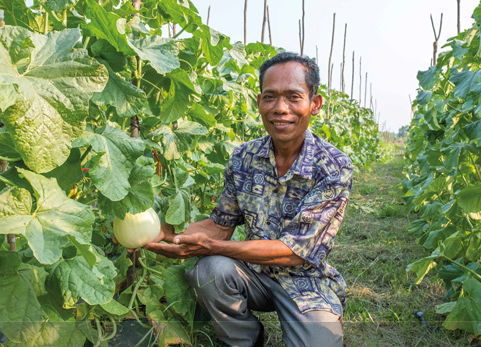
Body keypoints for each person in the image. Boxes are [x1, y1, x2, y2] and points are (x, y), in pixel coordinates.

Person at [145, 52, 353, 347]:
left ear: (314, 104)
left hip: (307, 281)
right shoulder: (243, 157)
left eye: (293, 97)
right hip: (252, 273)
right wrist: (164, 233)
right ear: (259, 102)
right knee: (210, 270)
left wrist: (215, 247)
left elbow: (295, 252)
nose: (280, 108)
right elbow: (220, 225)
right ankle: (244, 339)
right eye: (270, 97)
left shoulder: (333, 166)